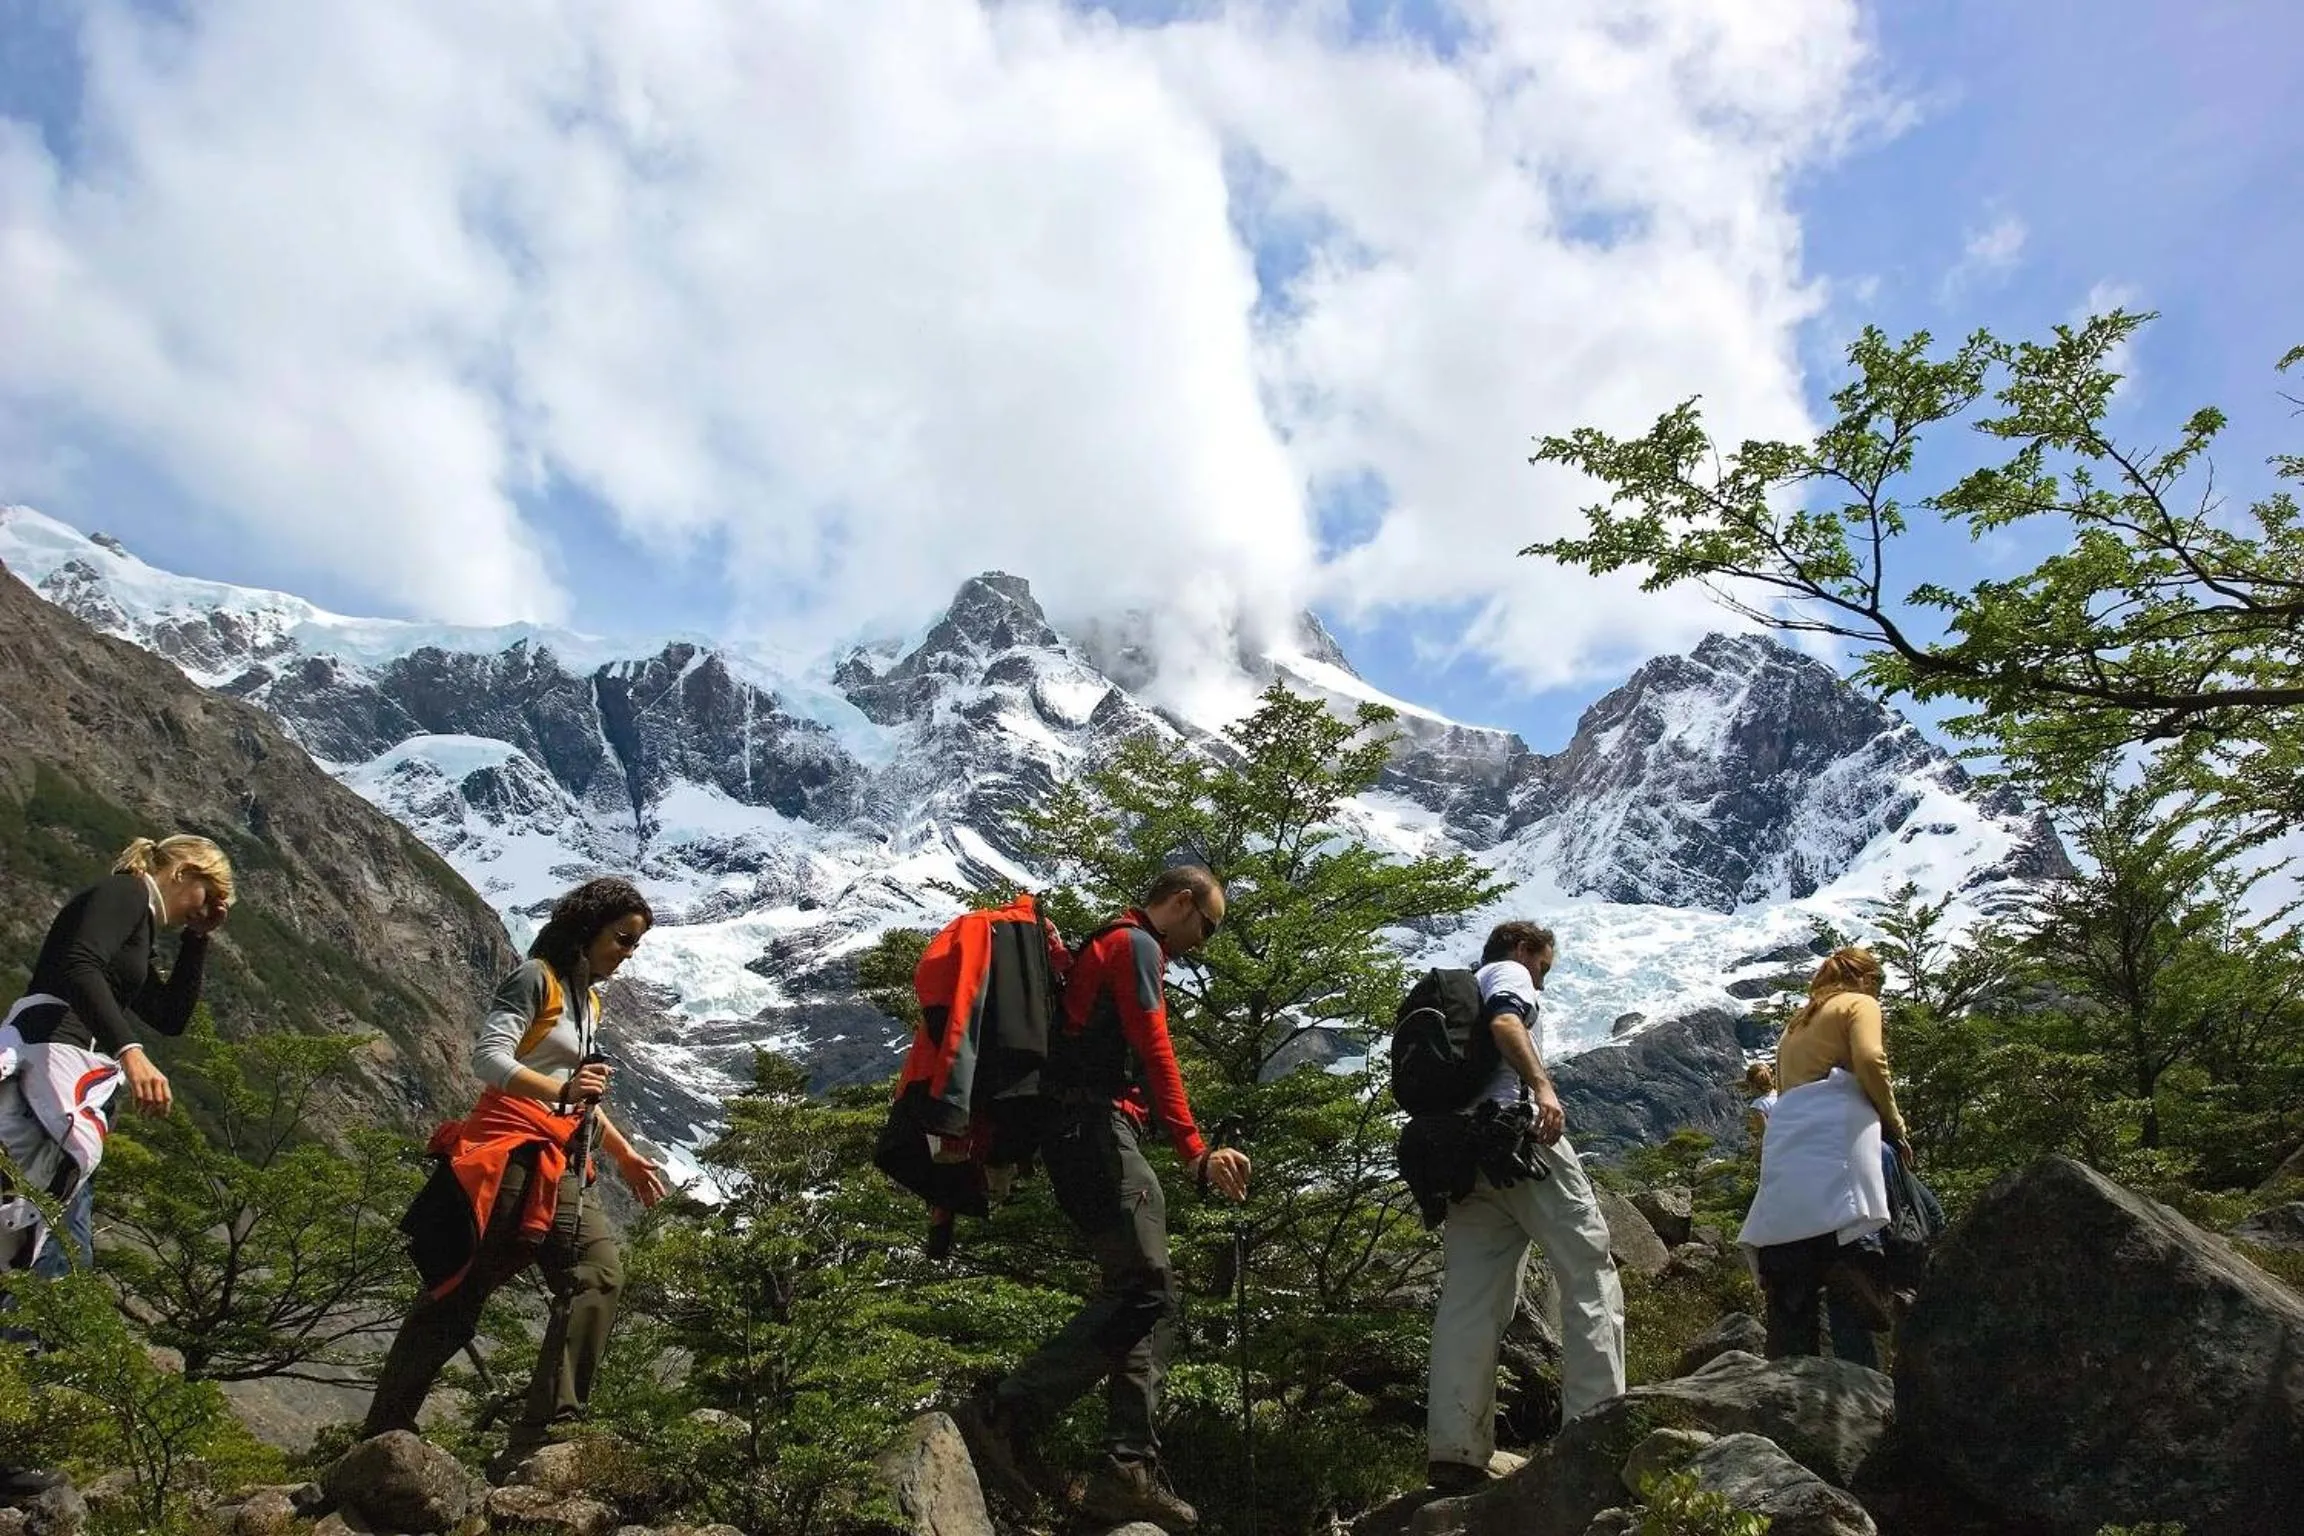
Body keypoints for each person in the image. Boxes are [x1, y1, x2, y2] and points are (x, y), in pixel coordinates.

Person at [955, 866, 1250, 1535]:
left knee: (1141, 1290)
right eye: (1208, 926)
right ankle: (1009, 1410)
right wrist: (1194, 1150)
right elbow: (1155, 1046)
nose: (1205, 941)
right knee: (1147, 1287)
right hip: (1095, 1131)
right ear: (1181, 903)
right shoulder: (1138, 945)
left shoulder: (1106, 943)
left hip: (1074, 1137)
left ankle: (1126, 1470)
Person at [363, 877, 668, 1468]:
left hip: (562, 1158)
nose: (627, 954)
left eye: (634, 945)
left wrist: (624, 1155)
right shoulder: (537, 980)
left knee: (597, 1273)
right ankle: (385, 1428)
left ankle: (545, 1431)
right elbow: (489, 1058)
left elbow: (581, 1098)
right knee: (461, 1290)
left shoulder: (590, 1001)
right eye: (622, 939)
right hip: (507, 1153)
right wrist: (560, 1090)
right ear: (588, 929)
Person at [1425, 922, 1626, 1494]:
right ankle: (1596, 1432)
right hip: (1520, 1142)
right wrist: (1542, 1085)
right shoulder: (1508, 974)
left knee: (1469, 1300)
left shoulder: (1459, 990)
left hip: (1469, 1159)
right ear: (1523, 949)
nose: (1543, 977)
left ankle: (1455, 1453)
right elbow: (1508, 1021)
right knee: (1588, 1271)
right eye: (1545, 966)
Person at [3, 835, 233, 1276]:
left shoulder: (139, 929)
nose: (206, 908)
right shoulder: (125, 892)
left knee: (51, 1244)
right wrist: (131, 1052)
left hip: (68, 1078)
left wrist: (197, 939)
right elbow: (78, 963)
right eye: (210, 894)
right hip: (53, 1065)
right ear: (184, 872)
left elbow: (168, 1016)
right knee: (56, 1253)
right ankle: (29, 1338)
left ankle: (29, 1336)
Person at [1739, 947, 1906, 1359]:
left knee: (1796, 1282)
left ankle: (1789, 1394)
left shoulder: (1795, 1025)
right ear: (1865, 978)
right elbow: (1870, 1059)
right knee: (1874, 1245)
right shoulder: (1858, 1003)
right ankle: (1868, 1391)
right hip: (1842, 1144)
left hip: (1789, 1153)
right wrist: (1895, 1125)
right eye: (1878, 983)